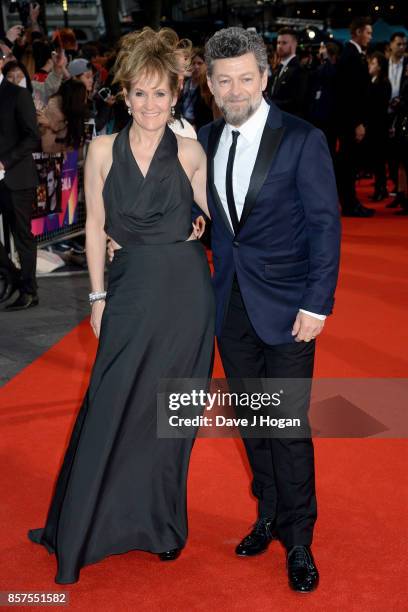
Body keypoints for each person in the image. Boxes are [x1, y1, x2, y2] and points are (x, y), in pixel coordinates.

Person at [27, 27, 215, 585]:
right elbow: (94, 230)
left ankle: (158, 524)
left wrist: (200, 225)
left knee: (170, 416)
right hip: (128, 293)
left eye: (162, 94)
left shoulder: (190, 151)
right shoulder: (103, 150)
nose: (151, 104)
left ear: (176, 93)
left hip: (185, 297)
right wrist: (97, 295)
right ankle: (87, 522)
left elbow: (222, 220)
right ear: (125, 94)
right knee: (112, 405)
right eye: (141, 92)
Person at [201, 27, 340, 593]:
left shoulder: (302, 138)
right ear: (209, 84)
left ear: (264, 78)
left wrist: (317, 304)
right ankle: (268, 513)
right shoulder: (205, 139)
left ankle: (299, 538)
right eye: (223, 81)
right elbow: (210, 220)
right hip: (230, 305)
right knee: (254, 424)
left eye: (245, 79)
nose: (235, 91)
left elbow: (325, 226)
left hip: (288, 309)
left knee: (285, 427)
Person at [0, 46, 40, 311]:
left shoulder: (17, 94)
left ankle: (29, 291)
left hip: (16, 177)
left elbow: (32, 136)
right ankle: (14, 277)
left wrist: (5, 161)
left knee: (22, 235)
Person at [335, 17, 374, 217]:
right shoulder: (350, 55)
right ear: (357, 32)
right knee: (348, 165)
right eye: (368, 32)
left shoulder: (352, 54)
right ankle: (350, 204)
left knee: (349, 165)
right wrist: (357, 123)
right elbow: (349, 94)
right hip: (350, 122)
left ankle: (351, 202)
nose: (370, 37)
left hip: (350, 121)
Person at [366, 52, 392, 201]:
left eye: (373, 63)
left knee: (379, 160)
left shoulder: (383, 83)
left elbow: (379, 106)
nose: (370, 65)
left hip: (379, 126)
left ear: (380, 67)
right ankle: (379, 187)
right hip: (374, 125)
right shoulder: (372, 81)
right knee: (376, 160)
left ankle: (381, 188)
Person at [269, 28, 309, 118]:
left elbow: (297, 102)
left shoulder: (299, 70)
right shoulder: (279, 68)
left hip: (290, 122)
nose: (279, 46)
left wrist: (269, 104)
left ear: (294, 44)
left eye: (284, 43)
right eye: (278, 43)